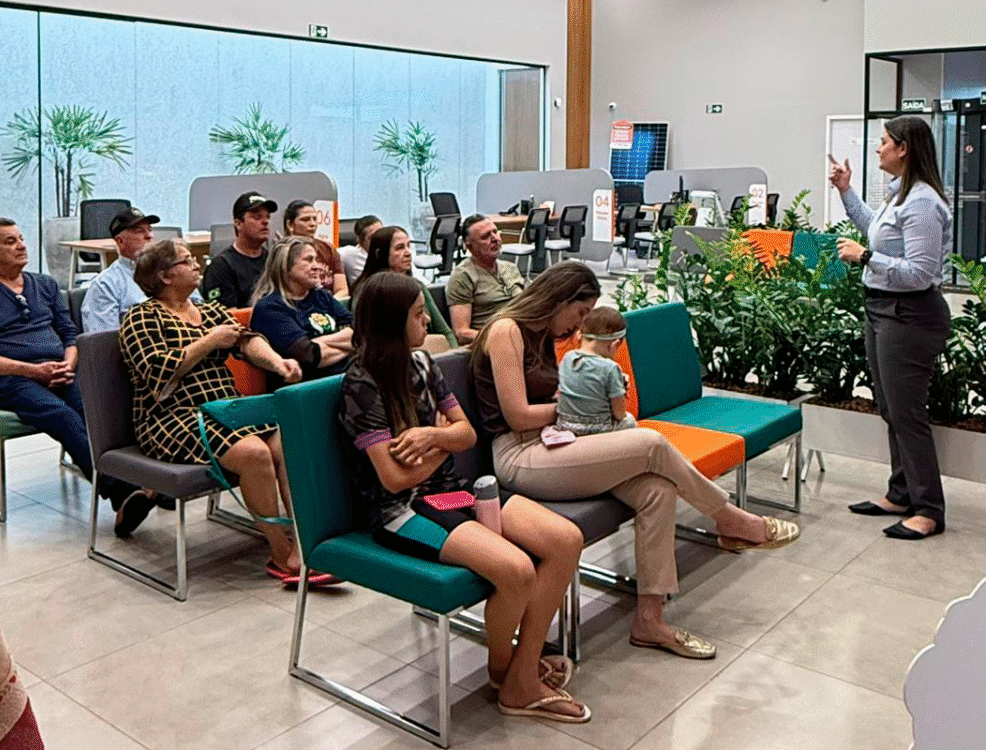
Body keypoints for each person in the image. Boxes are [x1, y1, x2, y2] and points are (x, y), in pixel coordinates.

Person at [472, 261, 800, 659]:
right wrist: (580, 409)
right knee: (650, 443)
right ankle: (729, 518)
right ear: (560, 299)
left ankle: (649, 620)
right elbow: (518, 416)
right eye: (580, 312)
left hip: (557, 442)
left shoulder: (542, 334)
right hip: (520, 454)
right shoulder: (506, 330)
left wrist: (577, 409)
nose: (579, 326)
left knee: (657, 490)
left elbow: (556, 402)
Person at [338, 271, 588, 723]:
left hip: (452, 492)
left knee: (565, 540)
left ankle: (521, 670)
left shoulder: (422, 363)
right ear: (393, 323)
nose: (426, 322)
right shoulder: (361, 385)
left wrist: (432, 437)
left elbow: (467, 434)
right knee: (516, 570)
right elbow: (393, 481)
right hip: (402, 513)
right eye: (418, 314)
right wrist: (443, 443)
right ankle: (507, 675)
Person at [119, 239, 336, 586]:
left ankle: (303, 541)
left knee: (289, 440)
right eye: (187, 261)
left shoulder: (209, 310)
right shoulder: (141, 317)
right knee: (254, 453)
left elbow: (248, 340)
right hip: (173, 416)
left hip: (228, 408)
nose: (197, 264)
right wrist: (209, 341)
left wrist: (277, 363)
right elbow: (157, 371)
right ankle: (281, 554)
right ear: (164, 276)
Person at [0, 218, 149, 535]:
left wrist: (67, 365)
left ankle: (144, 480)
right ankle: (122, 493)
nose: (21, 245)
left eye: (21, 238)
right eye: (10, 242)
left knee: (94, 409)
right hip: (5, 379)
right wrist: (32, 370)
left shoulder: (44, 285)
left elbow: (71, 335)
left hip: (57, 370)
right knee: (61, 415)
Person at [829, 116, 952, 540]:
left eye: (884, 141)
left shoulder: (922, 203)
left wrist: (865, 258)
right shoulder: (900, 193)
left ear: (903, 149)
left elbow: (919, 273)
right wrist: (846, 192)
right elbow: (875, 231)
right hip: (883, 309)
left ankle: (928, 510)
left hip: (910, 314)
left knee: (907, 413)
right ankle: (901, 494)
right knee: (890, 407)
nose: (878, 148)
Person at [250, 236, 353, 382]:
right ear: (286, 267)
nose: (317, 266)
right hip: (307, 386)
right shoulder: (270, 308)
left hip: (346, 375)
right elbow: (308, 356)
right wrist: (350, 346)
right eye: (309, 260)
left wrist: (315, 342)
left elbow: (360, 334)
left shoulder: (321, 296)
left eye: (316, 259)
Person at [352, 225, 457, 351]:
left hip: (430, 352)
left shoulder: (417, 286)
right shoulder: (367, 292)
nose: (408, 252)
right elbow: (369, 338)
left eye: (408, 246)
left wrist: (455, 355)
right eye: (399, 248)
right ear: (381, 254)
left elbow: (445, 331)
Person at [555, 306, 637, 435]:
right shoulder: (610, 368)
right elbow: (619, 414)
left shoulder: (567, 358)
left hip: (565, 427)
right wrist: (620, 389)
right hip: (599, 430)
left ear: (579, 336)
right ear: (615, 344)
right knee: (630, 420)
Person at [446, 214, 525, 345]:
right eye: (485, 237)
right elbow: (461, 333)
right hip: (493, 343)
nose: (495, 239)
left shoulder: (510, 268)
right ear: (470, 246)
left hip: (523, 334)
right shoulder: (463, 276)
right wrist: (501, 337)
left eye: (495, 232)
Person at [81, 207, 159, 333]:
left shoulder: (169, 273)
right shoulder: (105, 285)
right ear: (120, 241)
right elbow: (104, 340)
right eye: (139, 231)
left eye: (150, 229)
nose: (149, 236)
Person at [201, 192, 276, 309]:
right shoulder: (221, 266)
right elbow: (227, 315)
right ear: (239, 224)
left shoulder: (273, 260)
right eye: (257, 217)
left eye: (268, 217)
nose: (265, 222)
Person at [282, 199, 347, 297]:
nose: (312, 224)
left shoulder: (328, 249)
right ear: (290, 224)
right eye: (305, 219)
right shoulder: (283, 251)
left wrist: (329, 303)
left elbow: (342, 289)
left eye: (315, 219)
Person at [339, 214, 381, 287]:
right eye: (373, 237)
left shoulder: (391, 252)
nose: (380, 238)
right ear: (360, 241)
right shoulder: (350, 253)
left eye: (381, 233)